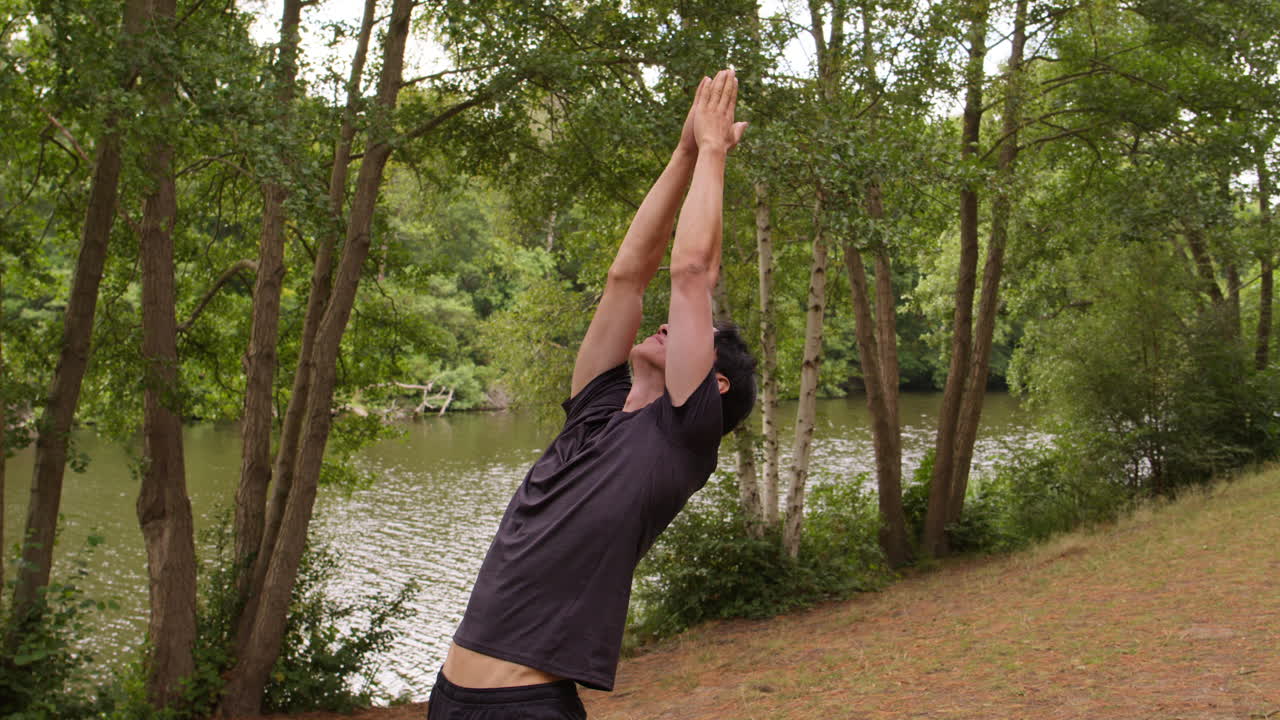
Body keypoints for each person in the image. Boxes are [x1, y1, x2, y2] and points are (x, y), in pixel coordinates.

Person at [428, 68, 756, 720]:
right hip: (450, 696)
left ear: (713, 385)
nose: (668, 325)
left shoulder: (682, 437)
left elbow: (690, 274)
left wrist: (715, 152)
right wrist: (684, 151)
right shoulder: (599, 409)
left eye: (694, 335)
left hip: (527, 707)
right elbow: (626, 277)